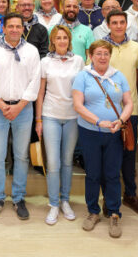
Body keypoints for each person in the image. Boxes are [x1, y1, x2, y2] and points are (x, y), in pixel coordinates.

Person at [0, 13, 41, 222]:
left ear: (23, 28)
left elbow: (35, 81)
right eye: (11, 26)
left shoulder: (31, 51)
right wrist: (2, 104)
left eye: (18, 26)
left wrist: (20, 106)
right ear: (3, 29)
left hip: (23, 109)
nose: (15, 29)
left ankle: (18, 198)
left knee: (21, 156)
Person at [72, 40, 133, 239]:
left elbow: (128, 102)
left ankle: (114, 212)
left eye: (106, 53)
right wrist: (99, 122)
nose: (102, 57)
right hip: (90, 132)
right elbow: (78, 106)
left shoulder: (119, 76)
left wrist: (120, 120)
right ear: (91, 56)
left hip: (114, 133)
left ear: (110, 56)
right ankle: (93, 211)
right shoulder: (83, 76)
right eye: (98, 53)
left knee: (113, 174)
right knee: (93, 174)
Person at [35, 25, 84, 225]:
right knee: (53, 163)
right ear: (52, 41)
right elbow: (40, 93)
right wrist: (38, 119)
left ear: (69, 40)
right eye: (58, 38)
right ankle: (54, 204)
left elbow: (83, 90)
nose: (62, 41)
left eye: (65, 37)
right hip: (51, 115)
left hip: (72, 116)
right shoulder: (45, 62)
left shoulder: (78, 60)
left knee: (66, 161)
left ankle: (65, 200)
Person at [103, 10, 138, 216]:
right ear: (108, 25)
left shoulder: (136, 48)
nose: (119, 26)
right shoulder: (102, 47)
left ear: (126, 24)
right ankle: (109, 198)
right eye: (114, 23)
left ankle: (131, 195)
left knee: (129, 154)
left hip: (130, 108)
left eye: (122, 22)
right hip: (105, 108)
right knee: (109, 156)